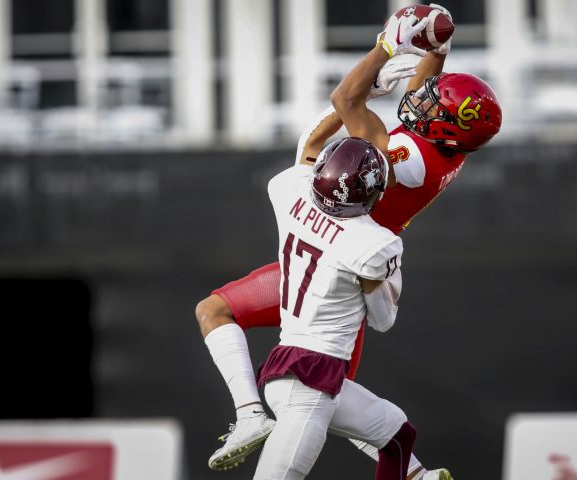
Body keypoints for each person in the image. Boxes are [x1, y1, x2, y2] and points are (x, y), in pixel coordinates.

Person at [195, 5, 501, 479]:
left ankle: (411, 473)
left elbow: (345, 103)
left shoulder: (408, 164)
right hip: (342, 250)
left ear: (442, 130)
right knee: (224, 317)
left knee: (328, 394)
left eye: (431, 106)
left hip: (344, 263)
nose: (417, 100)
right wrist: (436, 49)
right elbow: (416, 97)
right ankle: (253, 416)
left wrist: (384, 49)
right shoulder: (443, 147)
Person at [253, 135, 413, 480]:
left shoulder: (288, 188)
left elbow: (310, 141)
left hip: (288, 366)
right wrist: (372, 283)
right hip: (312, 381)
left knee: (398, 433)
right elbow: (383, 321)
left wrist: (344, 103)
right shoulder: (374, 243)